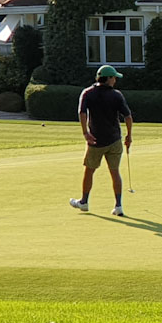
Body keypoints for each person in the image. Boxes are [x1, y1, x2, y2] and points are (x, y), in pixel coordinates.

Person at [69, 65, 133, 217]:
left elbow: (82, 112)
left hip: (95, 140)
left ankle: (84, 202)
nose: (115, 80)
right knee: (114, 171)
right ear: (108, 78)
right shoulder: (116, 95)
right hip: (114, 139)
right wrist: (129, 136)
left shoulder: (88, 93)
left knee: (89, 170)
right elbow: (128, 117)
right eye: (114, 77)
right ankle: (118, 206)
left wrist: (85, 133)